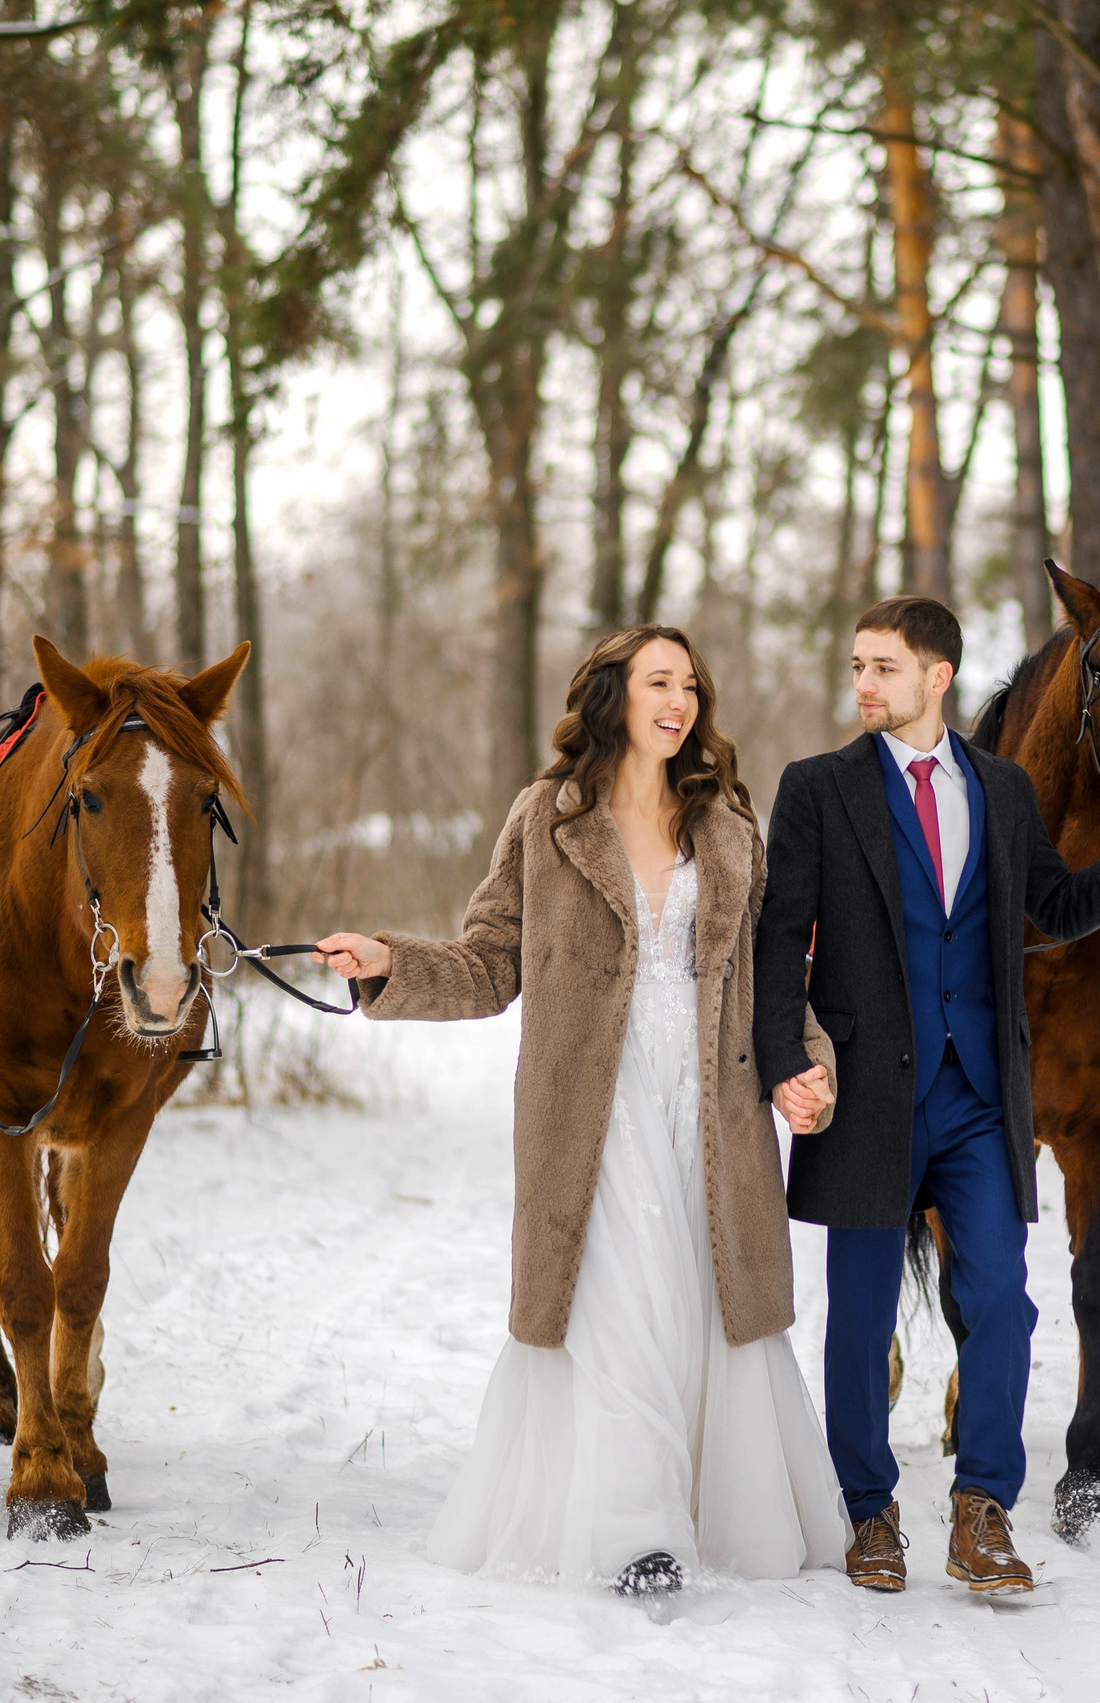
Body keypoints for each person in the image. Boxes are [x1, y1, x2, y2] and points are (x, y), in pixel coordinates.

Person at [314, 627, 849, 1596]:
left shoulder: (727, 823)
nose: (679, 699)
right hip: (586, 1111)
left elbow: (776, 977)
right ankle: (635, 1527)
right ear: (612, 695)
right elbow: (489, 962)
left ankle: (708, 1510)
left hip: (708, 1104)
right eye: (657, 681)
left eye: (689, 683)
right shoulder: (545, 819)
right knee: (615, 1298)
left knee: (700, 1296)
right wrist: (393, 963)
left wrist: (805, 1062)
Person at [752, 596, 1100, 1595]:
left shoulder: (999, 791)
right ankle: (867, 1511)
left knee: (1002, 1298)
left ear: (936, 678)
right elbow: (782, 934)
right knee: (862, 1315)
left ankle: (982, 1507)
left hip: (976, 1099)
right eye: (857, 663)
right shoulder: (819, 789)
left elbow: (1064, 902)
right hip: (864, 1096)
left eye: (883, 666)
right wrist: (784, 1054)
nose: (863, 683)